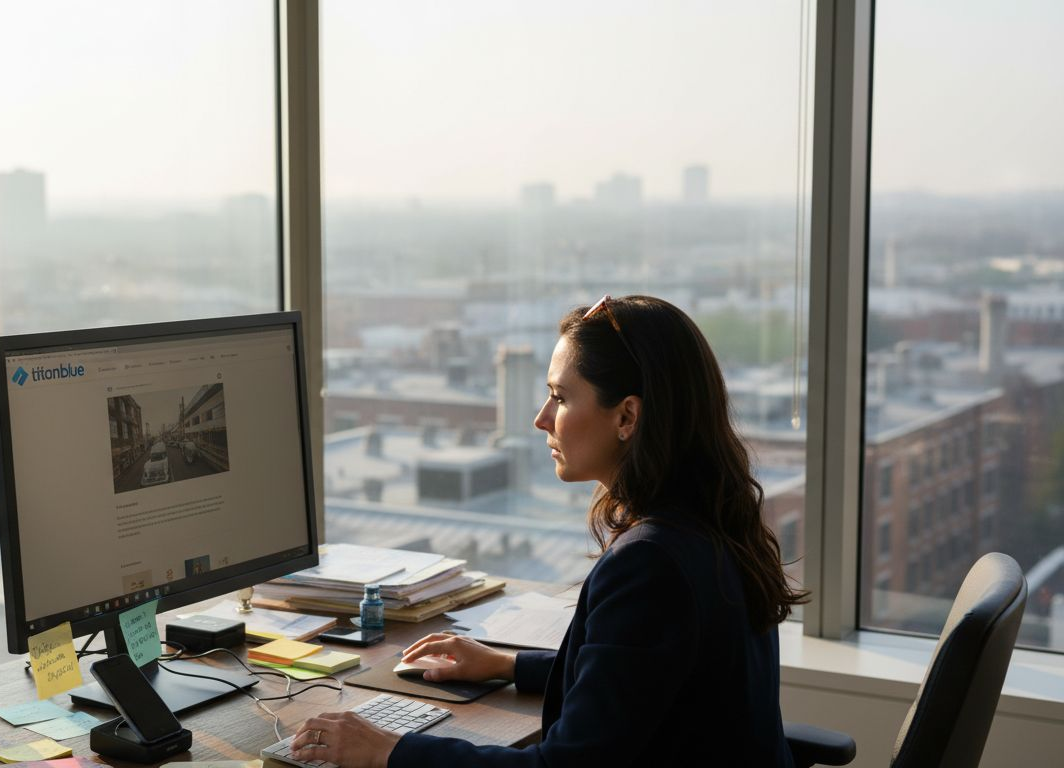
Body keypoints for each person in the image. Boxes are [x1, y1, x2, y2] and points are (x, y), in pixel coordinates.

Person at [289, 295, 806, 767]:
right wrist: (508, 665)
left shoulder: (652, 563)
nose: (541, 419)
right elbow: (637, 676)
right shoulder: (710, 524)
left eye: (560, 397)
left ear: (627, 416)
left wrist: (388, 750)